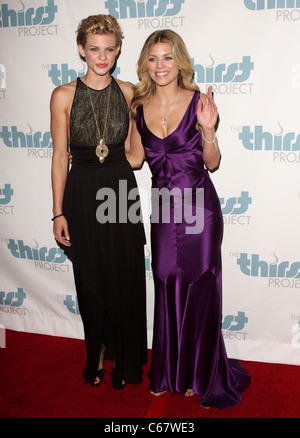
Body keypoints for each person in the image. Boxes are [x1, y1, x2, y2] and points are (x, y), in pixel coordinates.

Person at [127, 29, 250, 409]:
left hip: (200, 209)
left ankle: (200, 373)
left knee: (201, 286)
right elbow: (134, 159)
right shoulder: (138, 106)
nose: (160, 65)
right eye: (153, 58)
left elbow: (212, 162)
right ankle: (166, 372)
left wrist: (209, 131)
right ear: (145, 64)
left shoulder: (199, 103)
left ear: (179, 61)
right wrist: (85, 157)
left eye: (167, 57)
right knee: (165, 281)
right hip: (164, 208)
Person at [50, 14, 147, 389]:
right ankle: (96, 356)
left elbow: (135, 158)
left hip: (121, 189)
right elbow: (60, 157)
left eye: (109, 49)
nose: (101, 56)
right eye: (94, 49)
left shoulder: (128, 92)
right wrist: (58, 211)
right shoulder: (63, 95)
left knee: (124, 277)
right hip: (83, 190)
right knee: (89, 280)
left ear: (118, 50)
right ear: (81, 50)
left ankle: (124, 359)